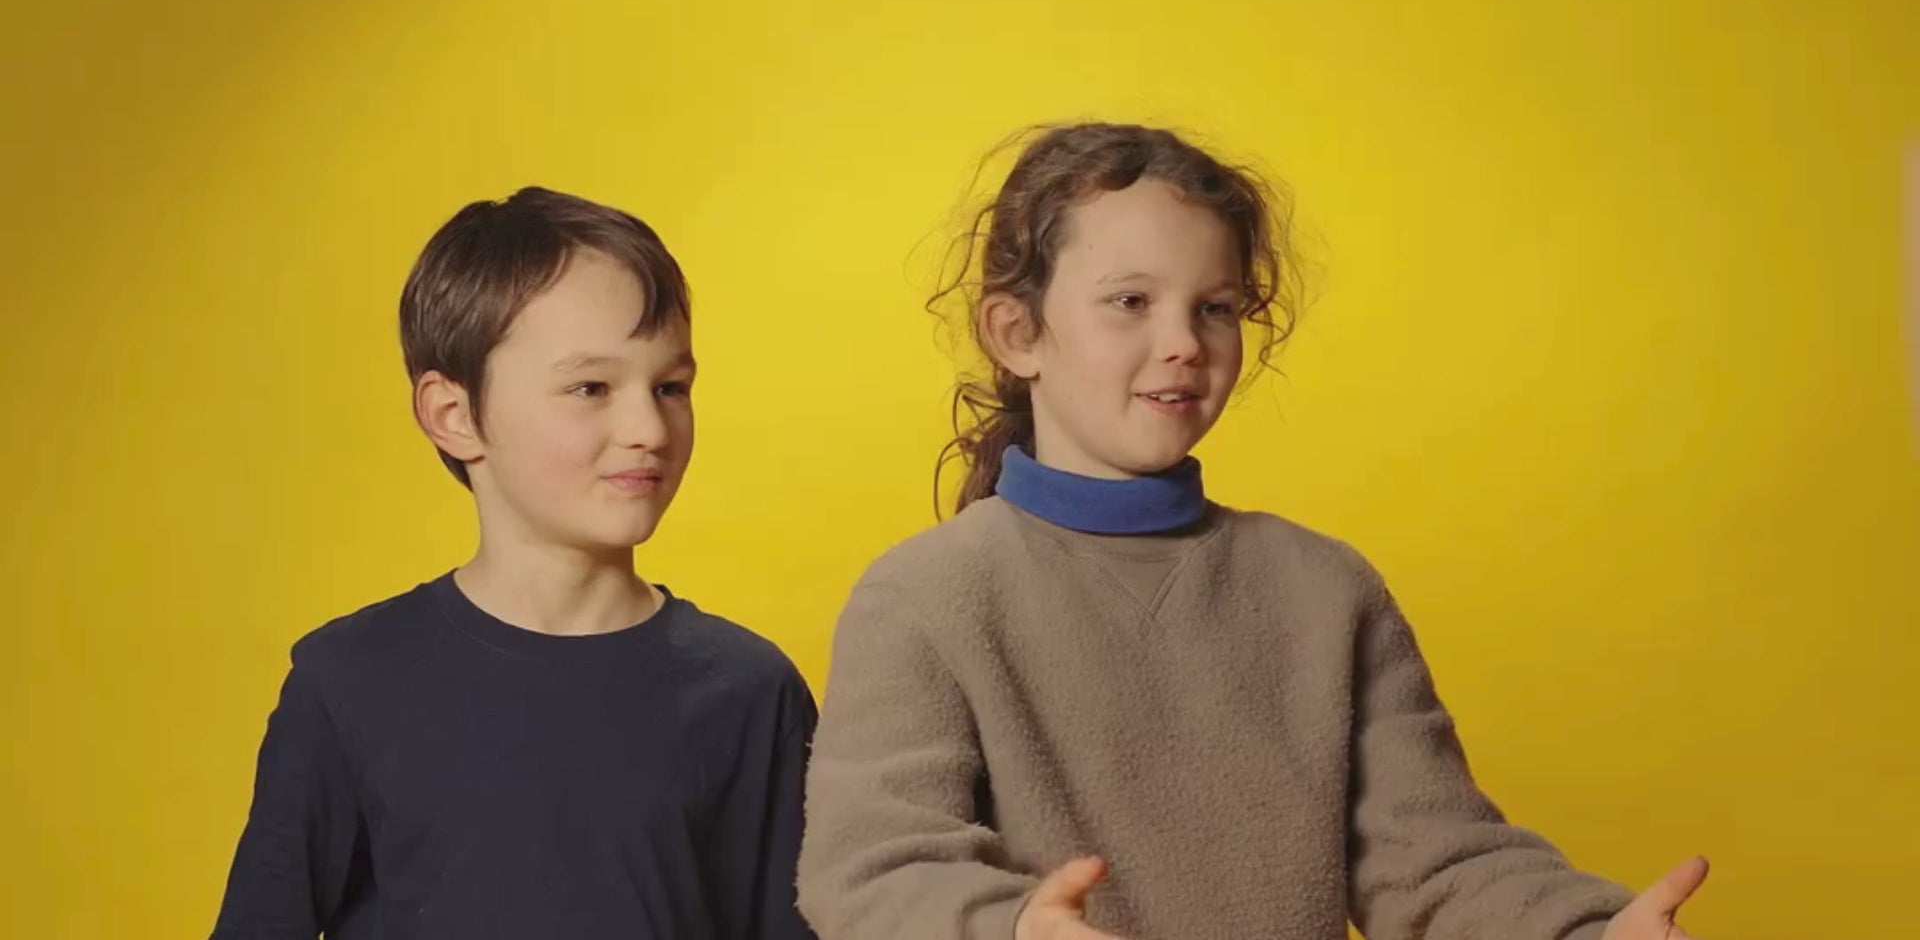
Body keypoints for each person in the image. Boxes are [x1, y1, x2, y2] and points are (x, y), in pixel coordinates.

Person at [796, 123, 1709, 940]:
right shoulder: (924, 596)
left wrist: (1585, 933)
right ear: (1016, 332)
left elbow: (1435, 858)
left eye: (1216, 307)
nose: (1185, 341)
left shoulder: (1324, 589)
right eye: (1130, 302)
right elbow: (870, 873)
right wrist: (1013, 929)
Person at [212, 187, 816, 938]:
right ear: (454, 415)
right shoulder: (347, 683)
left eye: (671, 387)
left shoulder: (753, 694)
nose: (648, 427)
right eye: (590, 387)